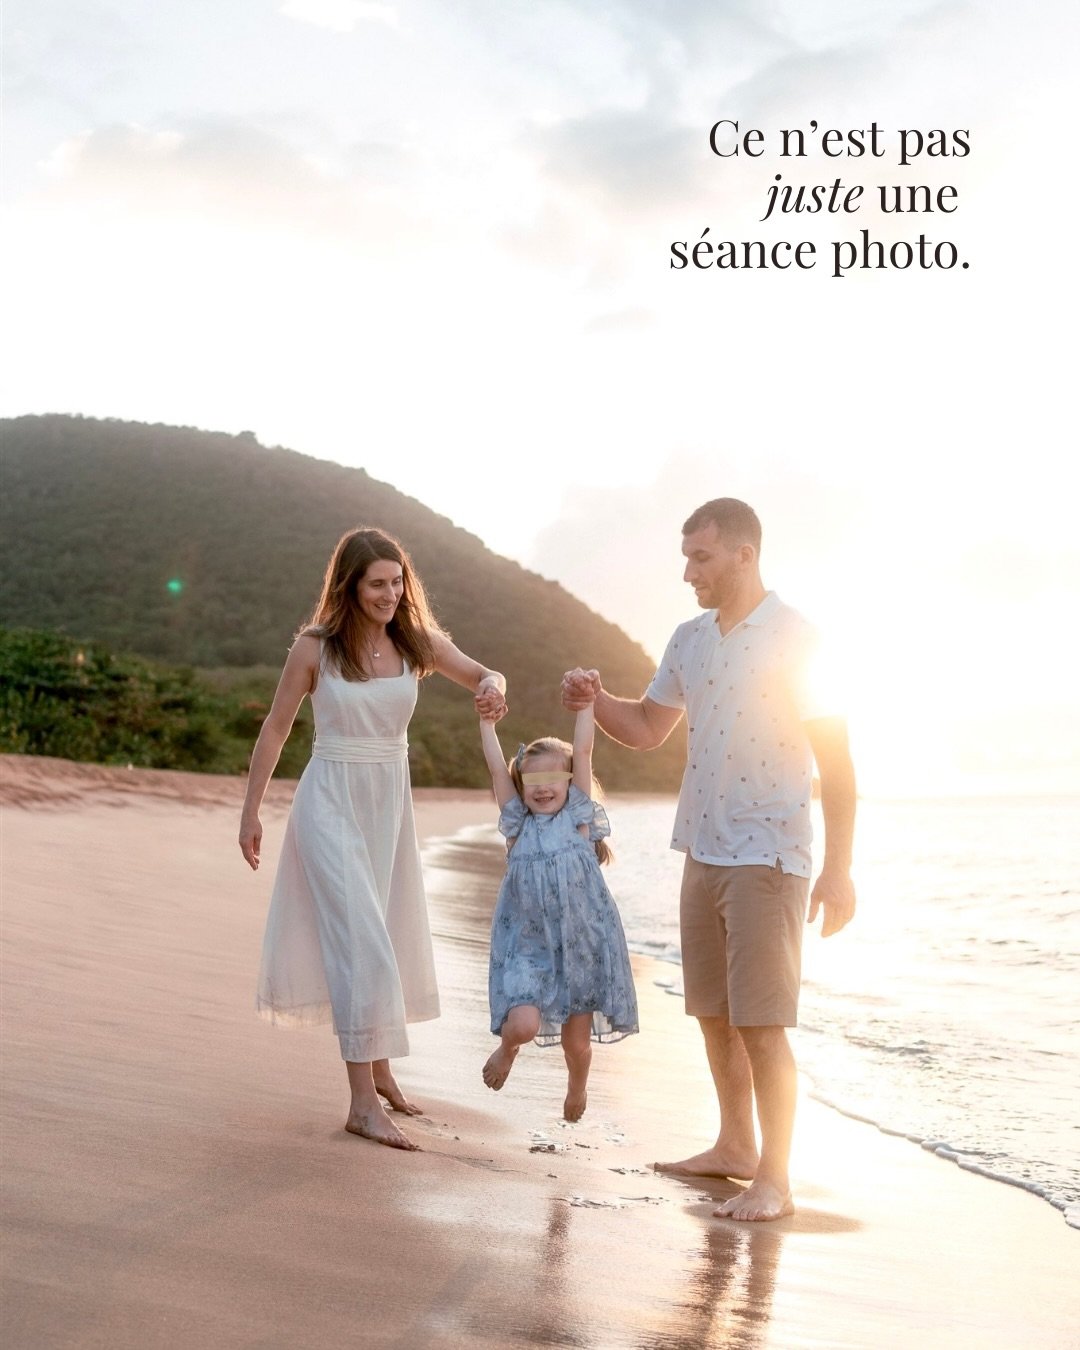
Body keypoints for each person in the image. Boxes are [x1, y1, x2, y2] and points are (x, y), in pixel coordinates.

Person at [562, 497, 856, 1220]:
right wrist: (596, 701)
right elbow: (647, 728)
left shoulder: (797, 638)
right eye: (687, 557)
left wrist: (839, 869)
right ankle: (734, 1147)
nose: (689, 572)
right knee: (715, 1017)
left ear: (744, 555)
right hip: (703, 849)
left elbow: (839, 767)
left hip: (769, 855)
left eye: (701, 557)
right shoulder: (689, 639)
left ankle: (775, 1181)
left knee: (762, 1024)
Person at [239, 526, 507, 1152]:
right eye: (377, 583)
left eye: (397, 582)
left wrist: (494, 689)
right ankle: (361, 1103)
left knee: (382, 930)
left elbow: (485, 673)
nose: (390, 594)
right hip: (329, 800)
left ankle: (382, 1074)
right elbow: (277, 728)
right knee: (362, 942)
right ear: (350, 586)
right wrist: (251, 810)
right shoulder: (316, 648)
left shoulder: (417, 643)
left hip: (388, 806)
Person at [479, 704, 639, 1122]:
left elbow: (584, 751)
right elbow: (498, 771)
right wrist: (487, 724)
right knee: (522, 1025)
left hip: (580, 947)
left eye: (554, 778)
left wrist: (586, 707)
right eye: (533, 780)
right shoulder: (517, 826)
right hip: (529, 951)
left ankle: (577, 1086)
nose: (543, 787)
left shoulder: (579, 824)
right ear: (522, 785)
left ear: (570, 782)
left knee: (577, 1045)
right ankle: (508, 1049)